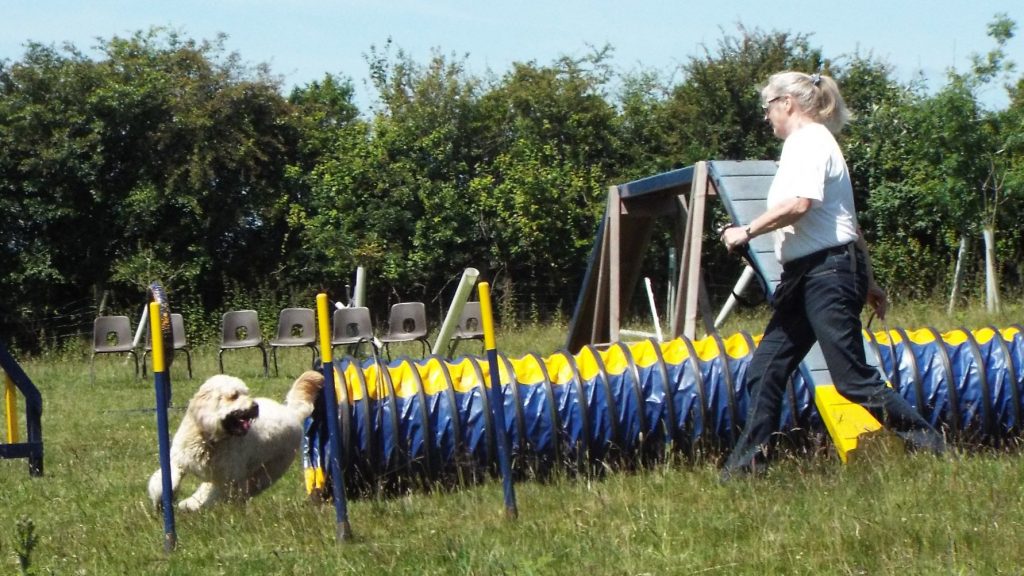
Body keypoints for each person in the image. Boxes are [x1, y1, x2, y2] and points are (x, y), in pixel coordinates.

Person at [718, 71, 945, 480]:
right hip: (813, 273)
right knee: (765, 370)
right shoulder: (810, 144)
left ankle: (933, 449)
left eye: (767, 106)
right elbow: (849, 222)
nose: (766, 116)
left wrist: (746, 231)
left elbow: (801, 204)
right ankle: (745, 469)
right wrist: (869, 280)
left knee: (852, 380)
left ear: (787, 102)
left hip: (826, 273)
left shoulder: (807, 143)